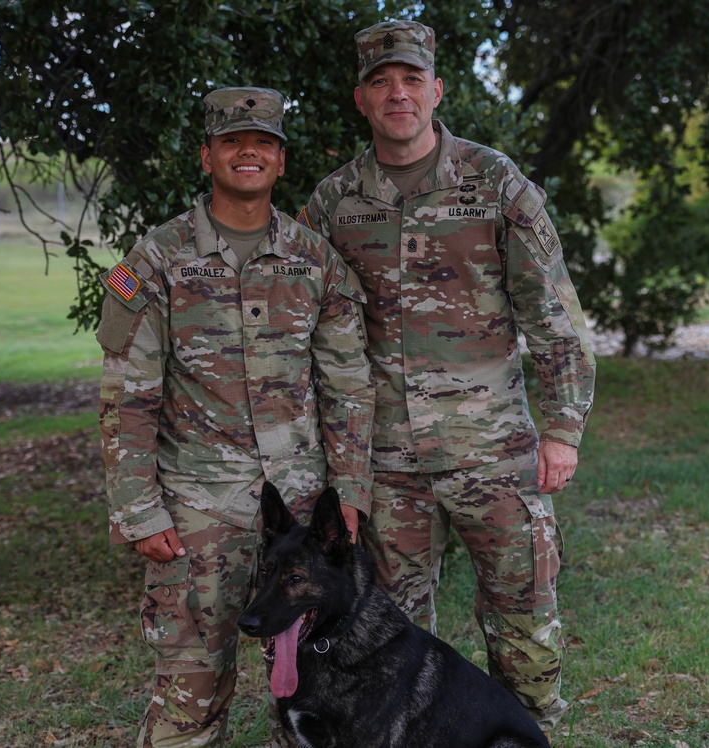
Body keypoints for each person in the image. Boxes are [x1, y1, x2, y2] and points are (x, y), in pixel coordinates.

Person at [296, 21, 596, 741]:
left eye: (409, 80)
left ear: (435, 90)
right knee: (388, 629)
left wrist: (561, 430)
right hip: (385, 466)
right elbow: (306, 330)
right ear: (361, 99)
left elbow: (553, 314)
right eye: (380, 82)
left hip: (494, 452)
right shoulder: (333, 204)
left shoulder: (496, 183)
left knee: (523, 616)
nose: (397, 94)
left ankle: (533, 734)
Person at [97, 87, 374, 747]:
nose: (248, 153)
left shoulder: (316, 261)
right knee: (191, 687)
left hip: (303, 508)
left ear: (281, 161)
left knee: (318, 687)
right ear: (207, 156)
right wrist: (139, 510)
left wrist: (352, 492)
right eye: (232, 142)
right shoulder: (156, 260)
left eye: (264, 143)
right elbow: (126, 395)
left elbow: (348, 385)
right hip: (198, 510)